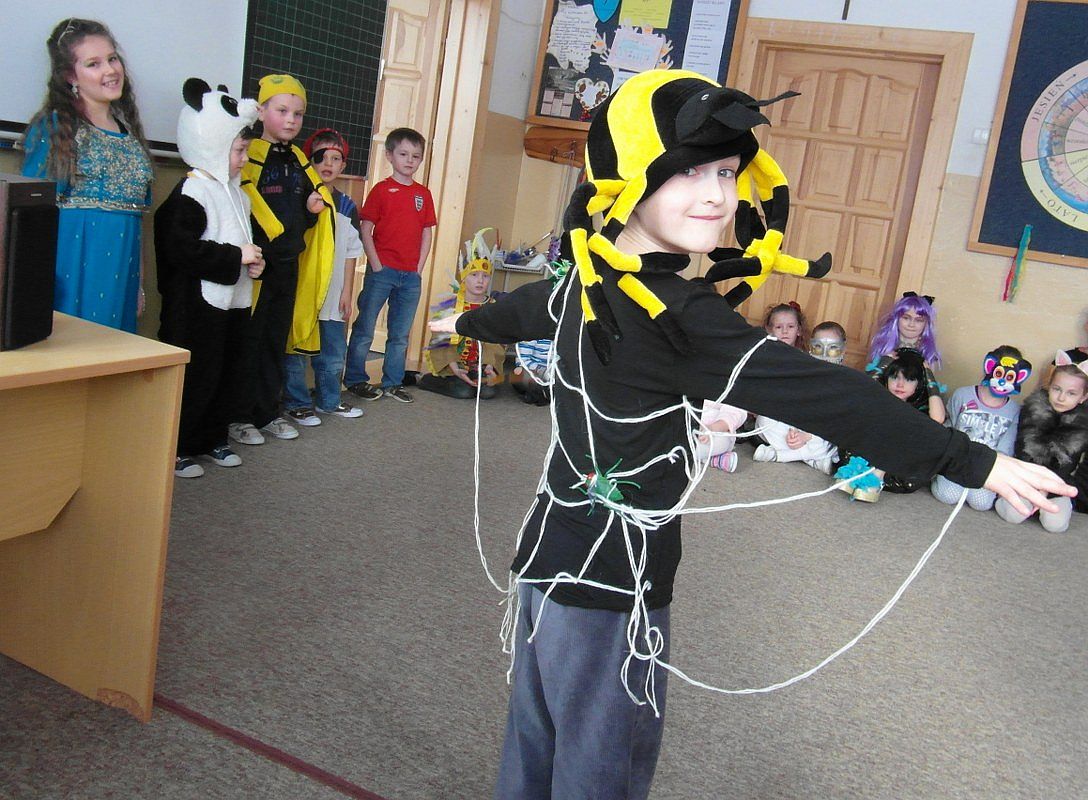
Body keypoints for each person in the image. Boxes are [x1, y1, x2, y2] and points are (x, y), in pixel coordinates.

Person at [427, 70, 1072, 800]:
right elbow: (825, 392)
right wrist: (974, 460)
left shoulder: (588, 278)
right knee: (602, 759)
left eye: (728, 172)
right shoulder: (676, 313)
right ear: (627, 177)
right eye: (688, 171)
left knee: (538, 738)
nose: (717, 195)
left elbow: (526, 309)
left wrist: (466, 320)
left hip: (547, 556)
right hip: (612, 581)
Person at [155, 79, 264, 478]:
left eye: (245, 150)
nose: (243, 159)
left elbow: (247, 239)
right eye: (238, 151)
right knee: (196, 374)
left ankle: (213, 437)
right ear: (214, 145)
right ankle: (179, 446)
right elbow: (179, 250)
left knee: (226, 369)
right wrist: (235, 257)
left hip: (233, 300)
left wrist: (257, 262)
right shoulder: (191, 191)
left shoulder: (238, 194)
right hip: (196, 306)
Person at [22, 17, 153, 332]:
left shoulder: (131, 136)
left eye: (112, 59)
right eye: (94, 64)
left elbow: (136, 218)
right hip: (70, 268)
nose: (110, 70)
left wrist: (138, 284)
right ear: (70, 75)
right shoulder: (56, 128)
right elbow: (30, 216)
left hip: (122, 271)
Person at [227, 73, 334, 446]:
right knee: (249, 341)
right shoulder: (250, 155)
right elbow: (241, 209)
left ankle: (267, 412)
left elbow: (304, 214)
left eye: (298, 114)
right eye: (282, 111)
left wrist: (311, 211)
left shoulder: (300, 159)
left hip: (288, 265)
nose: (291, 120)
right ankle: (239, 416)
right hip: (256, 268)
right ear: (261, 111)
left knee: (276, 341)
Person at [343, 127, 437, 405]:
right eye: (403, 154)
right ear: (390, 156)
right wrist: (376, 264)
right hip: (382, 272)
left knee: (400, 334)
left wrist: (418, 267)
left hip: (410, 276)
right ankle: (355, 379)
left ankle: (393, 383)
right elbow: (366, 228)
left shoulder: (423, 194)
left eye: (416, 156)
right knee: (365, 328)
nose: (410, 160)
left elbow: (427, 232)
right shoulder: (381, 190)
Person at [282, 129, 365, 425]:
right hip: (303, 291)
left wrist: (347, 292)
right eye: (321, 157)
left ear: (343, 165)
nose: (328, 163)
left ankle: (329, 400)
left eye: (336, 158)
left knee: (332, 351)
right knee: (295, 348)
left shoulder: (346, 206)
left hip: (333, 294)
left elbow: (351, 251)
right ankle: (296, 403)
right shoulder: (300, 200)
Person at [931, 345, 1032, 511]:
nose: (1002, 381)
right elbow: (949, 427)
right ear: (989, 368)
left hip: (987, 466)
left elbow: (1005, 448)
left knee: (981, 503)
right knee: (947, 495)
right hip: (957, 461)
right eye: (999, 374)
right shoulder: (962, 395)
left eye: (1010, 377)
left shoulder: (1015, 411)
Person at [995, 353, 1088, 532]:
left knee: (1055, 525)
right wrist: (1032, 487)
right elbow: (1022, 451)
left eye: (1071, 393)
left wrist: (1046, 490)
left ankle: (1059, 505)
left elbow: (1069, 465)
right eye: (1057, 389)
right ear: (1049, 386)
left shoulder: (1082, 424)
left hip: (1058, 482)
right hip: (1026, 477)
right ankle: (1008, 498)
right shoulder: (1033, 411)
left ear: (1083, 397)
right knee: (1014, 514)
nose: (1061, 398)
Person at [833, 350, 940, 501]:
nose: (900, 384)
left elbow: (938, 419)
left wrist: (930, 377)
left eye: (909, 379)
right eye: (894, 377)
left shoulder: (919, 408)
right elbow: (858, 392)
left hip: (895, 470)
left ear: (919, 384)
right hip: (868, 453)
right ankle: (856, 471)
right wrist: (882, 365)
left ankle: (876, 478)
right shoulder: (878, 398)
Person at [752, 302, 837, 474]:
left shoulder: (805, 360)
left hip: (805, 419)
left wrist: (805, 434)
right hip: (777, 416)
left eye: (790, 327)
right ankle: (814, 458)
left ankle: (779, 455)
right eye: (779, 327)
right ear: (769, 329)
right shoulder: (761, 357)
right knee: (763, 423)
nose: (785, 331)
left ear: (798, 330)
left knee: (830, 432)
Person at [419, 232, 506, 400]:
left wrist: (490, 365)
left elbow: (498, 341)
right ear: (464, 277)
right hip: (455, 364)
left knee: (488, 392)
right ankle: (428, 380)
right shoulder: (450, 305)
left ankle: (478, 376)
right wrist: (454, 367)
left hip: (481, 365)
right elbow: (440, 340)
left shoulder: (493, 307)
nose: (480, 281)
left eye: (485, 276)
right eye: (474, 275)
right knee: (463, 392)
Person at [866, 292, 946, 423]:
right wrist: (882, 365)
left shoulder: (929, 356)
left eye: (919, 320)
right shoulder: (883, 349)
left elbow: (932, 405)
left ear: (926, 324)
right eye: (906, 318)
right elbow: (865, 390)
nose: (911, 324)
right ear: (897, 318)